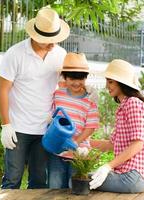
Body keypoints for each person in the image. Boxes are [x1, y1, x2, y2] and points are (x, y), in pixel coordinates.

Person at [0, 7, 70, 189]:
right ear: (36, 36)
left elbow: (65, 87)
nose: (53, 44)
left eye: (55, 40)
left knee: (38, 181)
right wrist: (5, 125)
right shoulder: (15, 54)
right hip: (18, 128)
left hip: (45, 129)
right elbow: (3, 91)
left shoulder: (60, 55)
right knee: (12, 179)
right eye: (48, 41)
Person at [89, 59, 144, 193]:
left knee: (79, 181)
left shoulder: (133, 103)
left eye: (110, 82)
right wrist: (84, 142)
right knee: (81, 179)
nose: (107, 86)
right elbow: (111, 144)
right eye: (107, 81)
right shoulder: (123, 107)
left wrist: (108, 166)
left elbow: (138, 144)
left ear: (122, 83)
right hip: (127, 175)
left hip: (133, 176)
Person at [48, 52, 99, 189]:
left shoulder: (90, 100)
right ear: (65, 77)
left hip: (79, 152)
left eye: (81, 78)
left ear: (86, 78)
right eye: (72, 78)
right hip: (57, 150)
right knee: (55, 186)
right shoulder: (58, 95)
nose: (77, 83)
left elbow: (91, 127)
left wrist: (75, 143)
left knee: (75, 187)